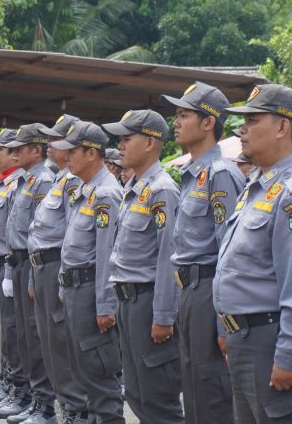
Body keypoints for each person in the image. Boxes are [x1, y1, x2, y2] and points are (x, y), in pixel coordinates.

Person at [161, 82, 243, 424]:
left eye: (184, 115)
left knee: (212, 389)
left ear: (208, 123)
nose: (175, 122)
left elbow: (229, 251)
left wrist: (225, 322)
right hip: (190, 291)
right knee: (193, 383)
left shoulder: (221, 175)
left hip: (209, 291)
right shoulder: (193, 174)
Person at [213, 84, 292, 423]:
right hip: (243, 336)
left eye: (252, 119)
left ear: (282, 126)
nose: (241, 130)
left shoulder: (287, 194)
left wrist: (287, 354)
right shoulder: (256, 185)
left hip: (268, 337)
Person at [104, 110, 184, 423]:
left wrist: (164, 316)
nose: (120, 145)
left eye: (127, 138)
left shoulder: (162, 189)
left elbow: (169, 257)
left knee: (157, 396)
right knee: (136, 393)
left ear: (150, 143)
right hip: (128, 301)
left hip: (148, 302)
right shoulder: (134, 188)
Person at [51, 120, 125, 423]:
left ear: (92, 153)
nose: (66, 157)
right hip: (75, 290)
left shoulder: (106, 194)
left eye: (73, 151)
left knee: (98, 375)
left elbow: (107, 255)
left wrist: (105, 305)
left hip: (91, 292)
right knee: (83, 373)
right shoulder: (85, 190)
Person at [0, 123, 57, 422]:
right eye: (15, 148)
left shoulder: (44, 180)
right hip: (17, 263)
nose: (16, 152)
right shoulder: (28, 180)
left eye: (22, 147)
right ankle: (29, 395)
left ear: (37, 149)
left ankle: (42, 402)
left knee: (32, 333)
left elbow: (39, 233)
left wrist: (28, 272)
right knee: (19, 332)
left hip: (31, 264)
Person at [31, 114, 90, 423]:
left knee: (62, 343)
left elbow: (71, 235)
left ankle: (76, 409)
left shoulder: (76, 181)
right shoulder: (61, 178)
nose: (49, 144)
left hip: (59, 268)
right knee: (49, 342)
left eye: (55, 139)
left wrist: (63, 279)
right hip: (44, 267)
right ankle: (68, 407)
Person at [0, 129, 27, 413]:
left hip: (11, 266)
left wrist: (10, 273)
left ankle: (20, 388)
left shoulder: (19, 185)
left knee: (15, 331)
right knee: (4, 328)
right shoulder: (2, 185)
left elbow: (18, 237)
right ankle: (10, 382)